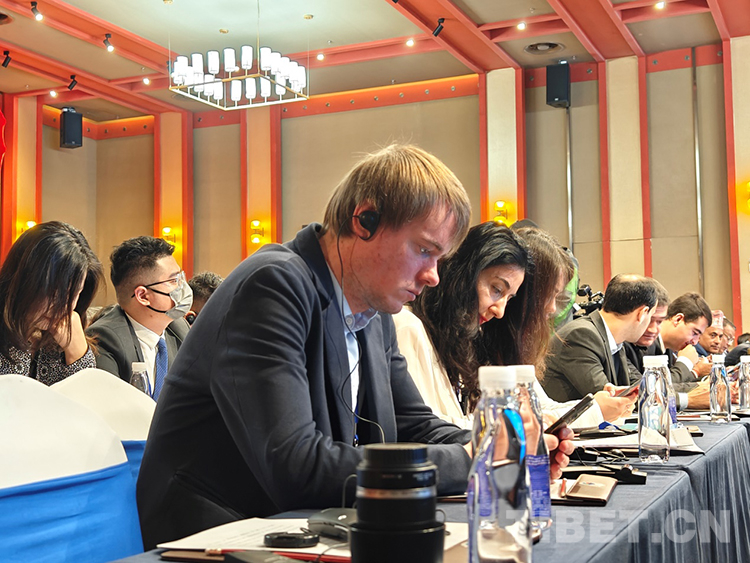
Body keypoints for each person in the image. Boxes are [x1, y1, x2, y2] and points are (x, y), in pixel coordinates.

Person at [136, 145, 493, 549]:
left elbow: (414, 426)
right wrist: (470, 460)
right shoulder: (273, 286)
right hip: (211, 537)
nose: (433, 276)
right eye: (424, 250)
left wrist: (497, 443)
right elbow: (296, 467)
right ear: (365, 220)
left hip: (293, 528)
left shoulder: (375, 312)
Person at [86, 236, 192, 398]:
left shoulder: (178, 328)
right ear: (143, 296)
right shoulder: (104, 339)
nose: (182, 287)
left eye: (181, 278)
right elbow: (111, 406)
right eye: (173, 280)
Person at [0, 221, 103, 385]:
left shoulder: (62, 337)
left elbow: (89, 398)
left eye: (74, 294)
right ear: (23, 280)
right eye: (54, 293)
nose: (64, 307)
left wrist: (78, 355)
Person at [542, 274, 659, 402]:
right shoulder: (582, 335)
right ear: (642, 313)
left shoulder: (614, 340)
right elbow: (610, 400)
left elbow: (643, 389)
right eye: (651, 316)